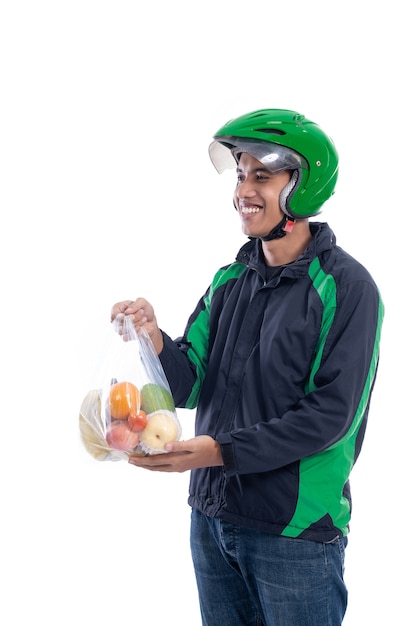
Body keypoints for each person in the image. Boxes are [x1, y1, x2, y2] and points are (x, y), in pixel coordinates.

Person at [110, 109, 384, 626]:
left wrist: (219, 451)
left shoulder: (347, 288)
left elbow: (330, 415)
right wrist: (152, 337)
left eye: (263, 176)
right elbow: (187, 381)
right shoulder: (230, 281)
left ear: (303, 186)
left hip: (294, 532)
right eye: (240, 175)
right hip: (212, 518)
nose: (244, 190)